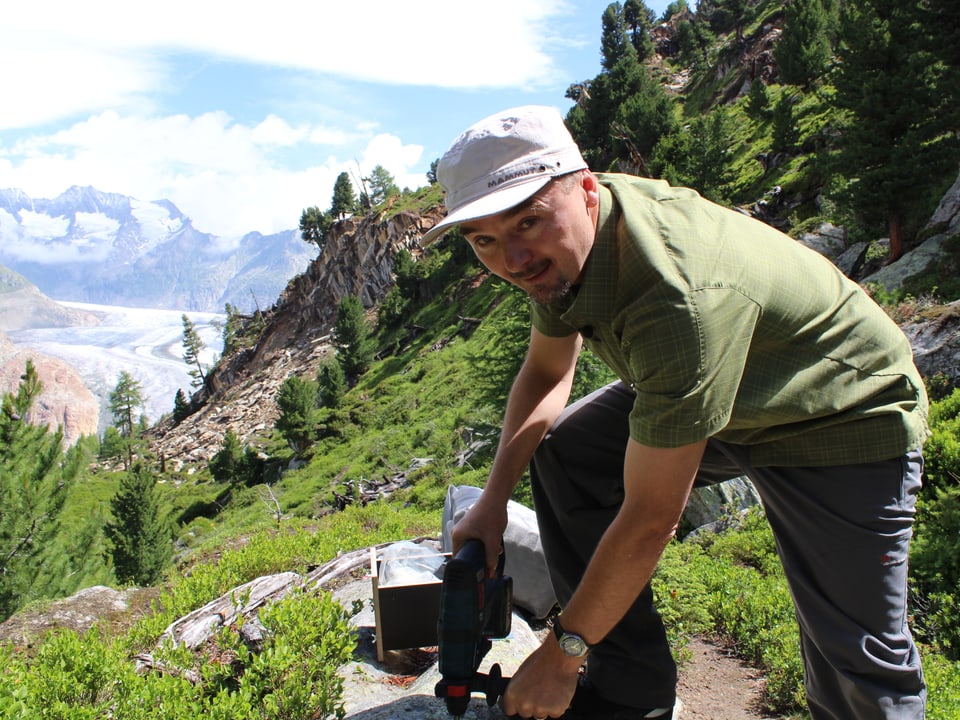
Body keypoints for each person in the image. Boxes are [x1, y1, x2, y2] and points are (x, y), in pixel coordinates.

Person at [421, 105, 929, 720]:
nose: (513, 258)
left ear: (585, 190)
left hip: (838, 410)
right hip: (726, 390)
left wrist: (560, 654)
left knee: (856, 659)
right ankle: (630, 693)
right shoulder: (566, 251)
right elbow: (548, 371)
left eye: (528, 221)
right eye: (485, 241)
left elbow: (650, 518)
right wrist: (493, 500)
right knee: (569, 454)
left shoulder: (673, 294)